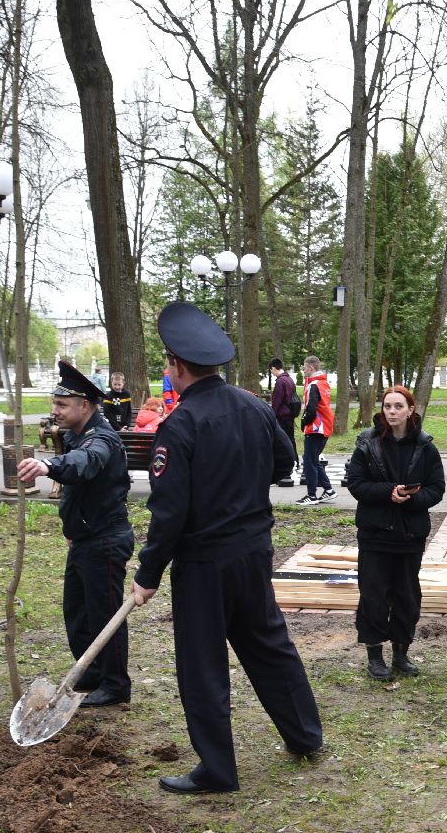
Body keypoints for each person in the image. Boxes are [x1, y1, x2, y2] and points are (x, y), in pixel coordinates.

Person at [131, 301, 325, 795]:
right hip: (254, 550)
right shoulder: (254, 407)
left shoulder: (180, 425)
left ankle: (217, 769)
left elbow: (169, 513)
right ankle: (304, 735)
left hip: (204, 563)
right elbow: (285, 464)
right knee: (268, 643)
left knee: (202, 664)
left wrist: (148, 573)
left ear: (176, 365)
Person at [17, 361, 133, 708]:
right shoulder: (75, 435)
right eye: (54, 403)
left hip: (106, 542)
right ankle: (93, 673)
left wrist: (49, 465)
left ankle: (115, 685)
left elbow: (86, 463)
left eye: (62, 404)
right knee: (78, 613)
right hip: (84, 539)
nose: (55, 411)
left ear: (86, 406)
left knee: (104, 615)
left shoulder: (101, 438)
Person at [345, 386, 446, 679]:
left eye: (398, 406)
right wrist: (388, 492)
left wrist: (413, 498)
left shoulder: (425, 446)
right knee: (374, 595)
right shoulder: (368, 443)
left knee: (407, 596)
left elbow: (436, 488)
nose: (392, 412)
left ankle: (401, 652)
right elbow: (356, 484)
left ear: (410, 409)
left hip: (409, 534)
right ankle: (375, 655)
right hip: (375, 532)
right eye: (387, 406)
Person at [296, 355, 336, 506]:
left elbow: (311, 408)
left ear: (311, 368)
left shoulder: (313, 385)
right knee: (313, 459)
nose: (304, 370)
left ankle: (311, 495)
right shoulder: (323, 383)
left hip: (315, 427)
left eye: (304, 367)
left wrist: (303, 421)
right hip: (324, 425)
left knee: (308, 461)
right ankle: (329, 490)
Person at [268, 358, 299, 487]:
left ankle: (290, 464)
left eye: (271, 371)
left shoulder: (281, 381)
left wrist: (271, 414)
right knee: (291, 439)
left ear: (274, 368)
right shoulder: (289, 379)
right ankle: (296, 461)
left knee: (284, 441)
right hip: (290, 416)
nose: (272, 373)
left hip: (282, 416)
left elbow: (277, 401)